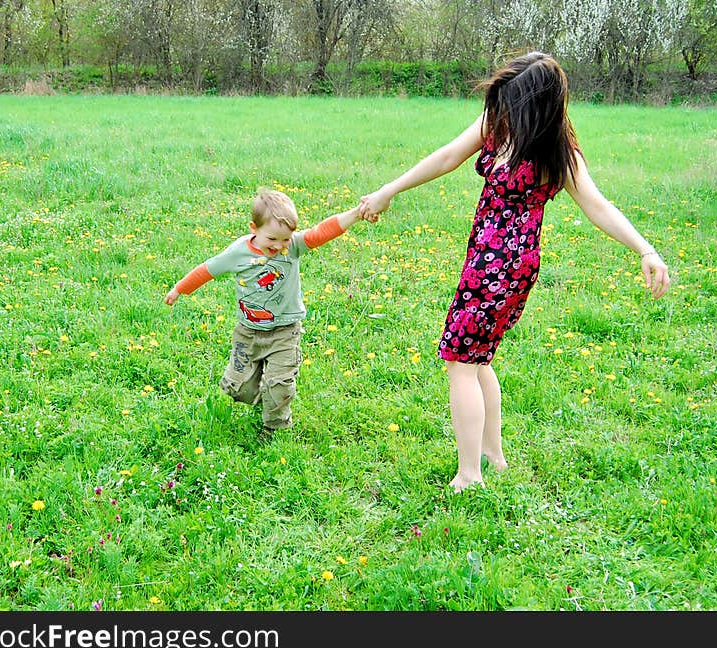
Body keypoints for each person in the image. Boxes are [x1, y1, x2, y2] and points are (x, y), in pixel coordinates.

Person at [359, 52, 670, 492]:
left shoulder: (557, 152)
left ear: (536, 106)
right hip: (483, 259)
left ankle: (470, 474)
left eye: (511, 99)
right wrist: (389, 190)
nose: (501, 105)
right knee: (478, 358)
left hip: (505, 266)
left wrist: (645, 248)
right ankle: (493, 456)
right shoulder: (497, 124)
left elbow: (598, 206)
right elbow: (448, 155)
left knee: (460, 360)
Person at [165, 187, 364, 436]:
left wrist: (356, 214)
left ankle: (274, 428)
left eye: (285, 239)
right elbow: (207, 269)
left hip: (284, 331)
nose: (279, 246)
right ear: (253, 228)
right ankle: (266, 396)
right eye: (272, 239)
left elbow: (321, 232)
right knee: (238, 388)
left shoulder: (292, 247)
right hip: (248, 332)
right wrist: (179, 289)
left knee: (279, 385)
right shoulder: (238, 252)